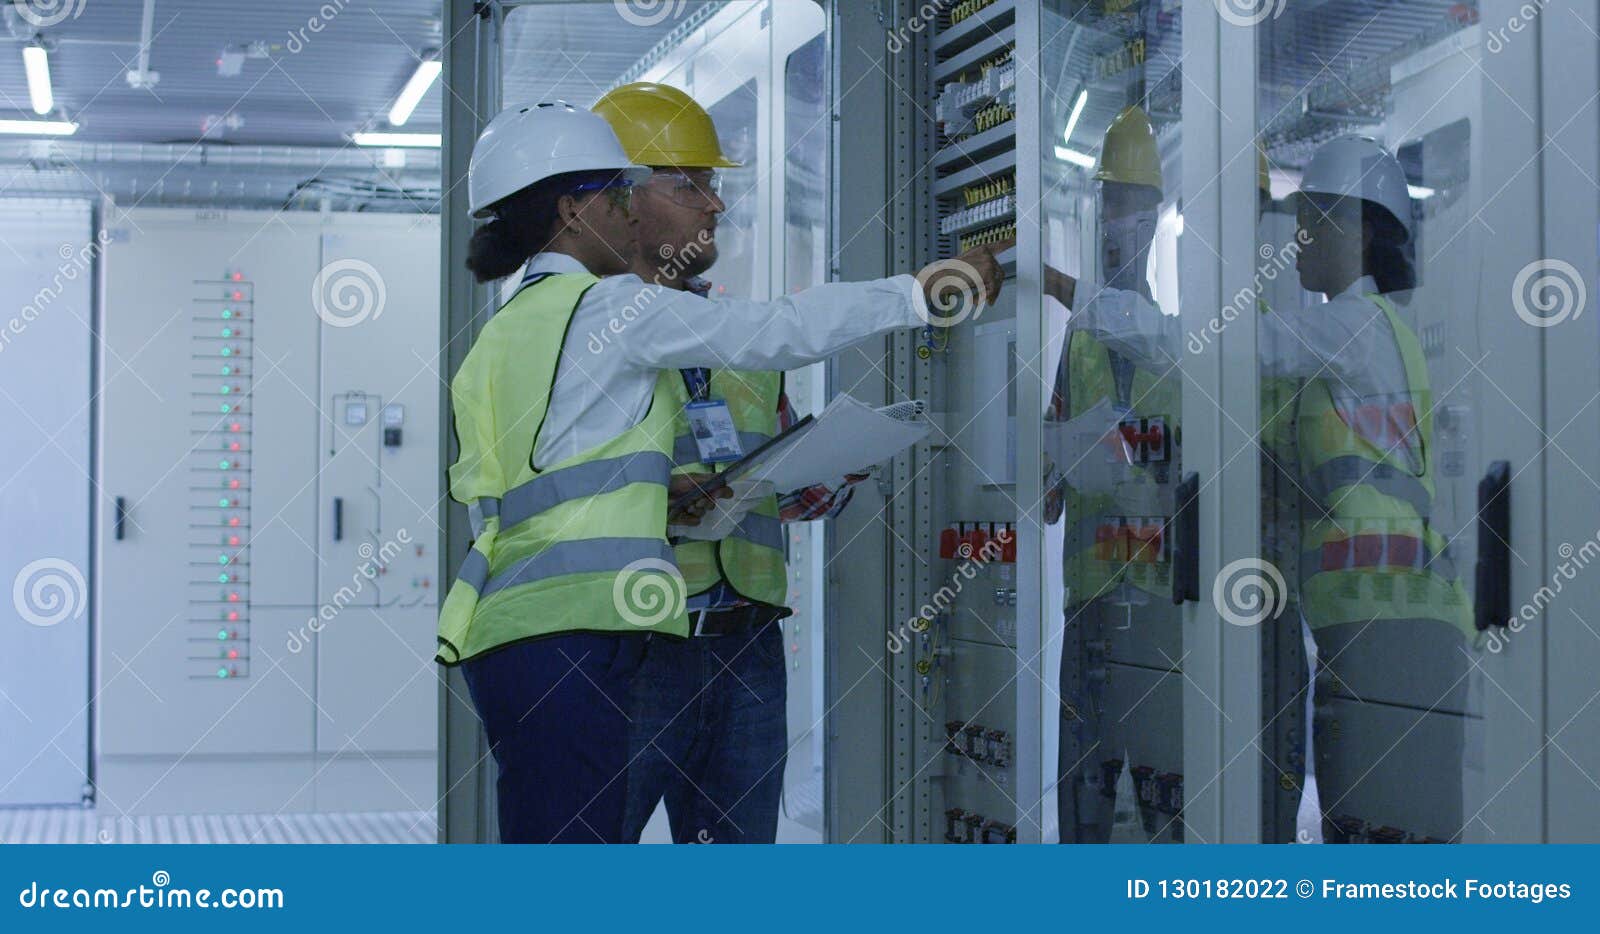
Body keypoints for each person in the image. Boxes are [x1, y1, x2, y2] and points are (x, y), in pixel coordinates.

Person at [437, 100, 1007, 843]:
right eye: (620, 199)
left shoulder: (508, 329)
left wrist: (646, 492)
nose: (631, 218)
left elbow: (533, 474)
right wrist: (918, 292)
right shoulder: (610, 305)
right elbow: (779, 329)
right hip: (584, 635)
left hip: (515, 635)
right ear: (575, 211)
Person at [1066, 135, 1473, 841]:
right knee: (1373, 832)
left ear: (1354, 227)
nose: (1297, 238)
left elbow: (1206, 350)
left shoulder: (1350, 328)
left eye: (1309, 219)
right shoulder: (1373, 331)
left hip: (1388, 620)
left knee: (1379, 839)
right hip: (1380, 621)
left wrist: (1066, 290)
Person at [591, 82, 867, 844]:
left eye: (714, 186)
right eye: (691, 184)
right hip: (631, 648)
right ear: (622, 198)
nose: (715, 205)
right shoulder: (578, 334)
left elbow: (776, 482)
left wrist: (829, 473)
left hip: (746, 647)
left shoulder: (739, 330)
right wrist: (654, 498)